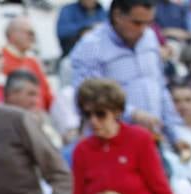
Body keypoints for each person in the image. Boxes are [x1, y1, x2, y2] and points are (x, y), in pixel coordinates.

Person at [70, 0, 183, 144]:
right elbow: (87, 99)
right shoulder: (91, 47)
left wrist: (175, 135)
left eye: (148, 23)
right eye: (136, 23)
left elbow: (159, 87)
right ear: (117, 16)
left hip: (152, 139)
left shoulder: (149, 38)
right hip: (111, 141)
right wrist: (133, 114)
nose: (143, 29)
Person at [1, 16, 53, 111]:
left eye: (33, 34)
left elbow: (47, 94)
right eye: (29, 33)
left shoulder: (33, 61)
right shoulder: (0, 60)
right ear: (12, 34)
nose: (32, 37)